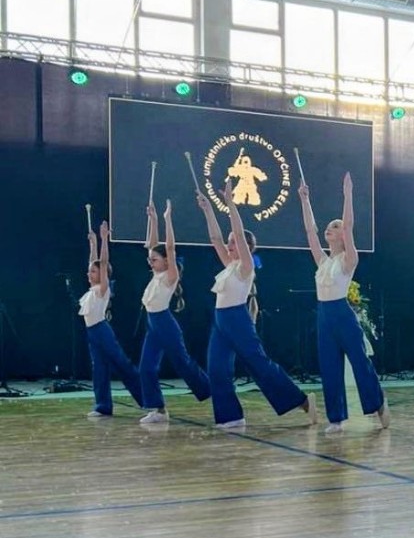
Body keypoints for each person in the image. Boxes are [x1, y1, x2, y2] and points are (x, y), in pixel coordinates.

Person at [196, 181, 317, 430]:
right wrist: (207, 210)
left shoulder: (246, 267)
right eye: (229, 243)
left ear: (247, 248)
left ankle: (301, 400)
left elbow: (238, 234)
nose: (229, 245)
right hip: (220, 321)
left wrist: (231, 205)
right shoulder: (229, 264)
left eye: (234, 243)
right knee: (216, 368)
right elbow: (215, 238)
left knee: (259, 365)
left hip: (237, 319)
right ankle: (231, 416)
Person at [299, 173, 389, 435]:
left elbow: (349, 226)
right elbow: (310, 231)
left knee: (360, 361)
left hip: (342, 314)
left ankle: (378, 403)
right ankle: (336, 417)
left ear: (343, 235)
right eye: (329, 227)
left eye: (335, 226)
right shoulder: (322, 261)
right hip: (324, 316)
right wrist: (305, 200)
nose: (330, 229)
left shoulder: (349, 259)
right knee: (329, 366)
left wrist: (348, 194)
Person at [136, 199, 211, 424]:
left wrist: (167, 219)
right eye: (150, 260)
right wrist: (153, 219)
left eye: (154, 260)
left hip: (165, 323)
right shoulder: (156, 273)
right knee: (146, 367)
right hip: (153, 323)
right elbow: (153, 245)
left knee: (183, 363)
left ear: (167, 261)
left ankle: (213, 390)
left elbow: (169, 247)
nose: (150, 262)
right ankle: (159, 410)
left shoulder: (170, 276)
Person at [80, 220, 143, 417]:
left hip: (102, 332)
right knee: (99, 369)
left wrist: (104, 239)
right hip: (92, 334)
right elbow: (95, 262)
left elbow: (103, 262)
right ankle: (103, 406)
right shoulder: (93, 289)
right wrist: (93, 244)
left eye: (93, 271)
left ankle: (147, 398)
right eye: (89, 271)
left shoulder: (103, 288)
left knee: (122, 365)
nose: (89, 273)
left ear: (103, 274)